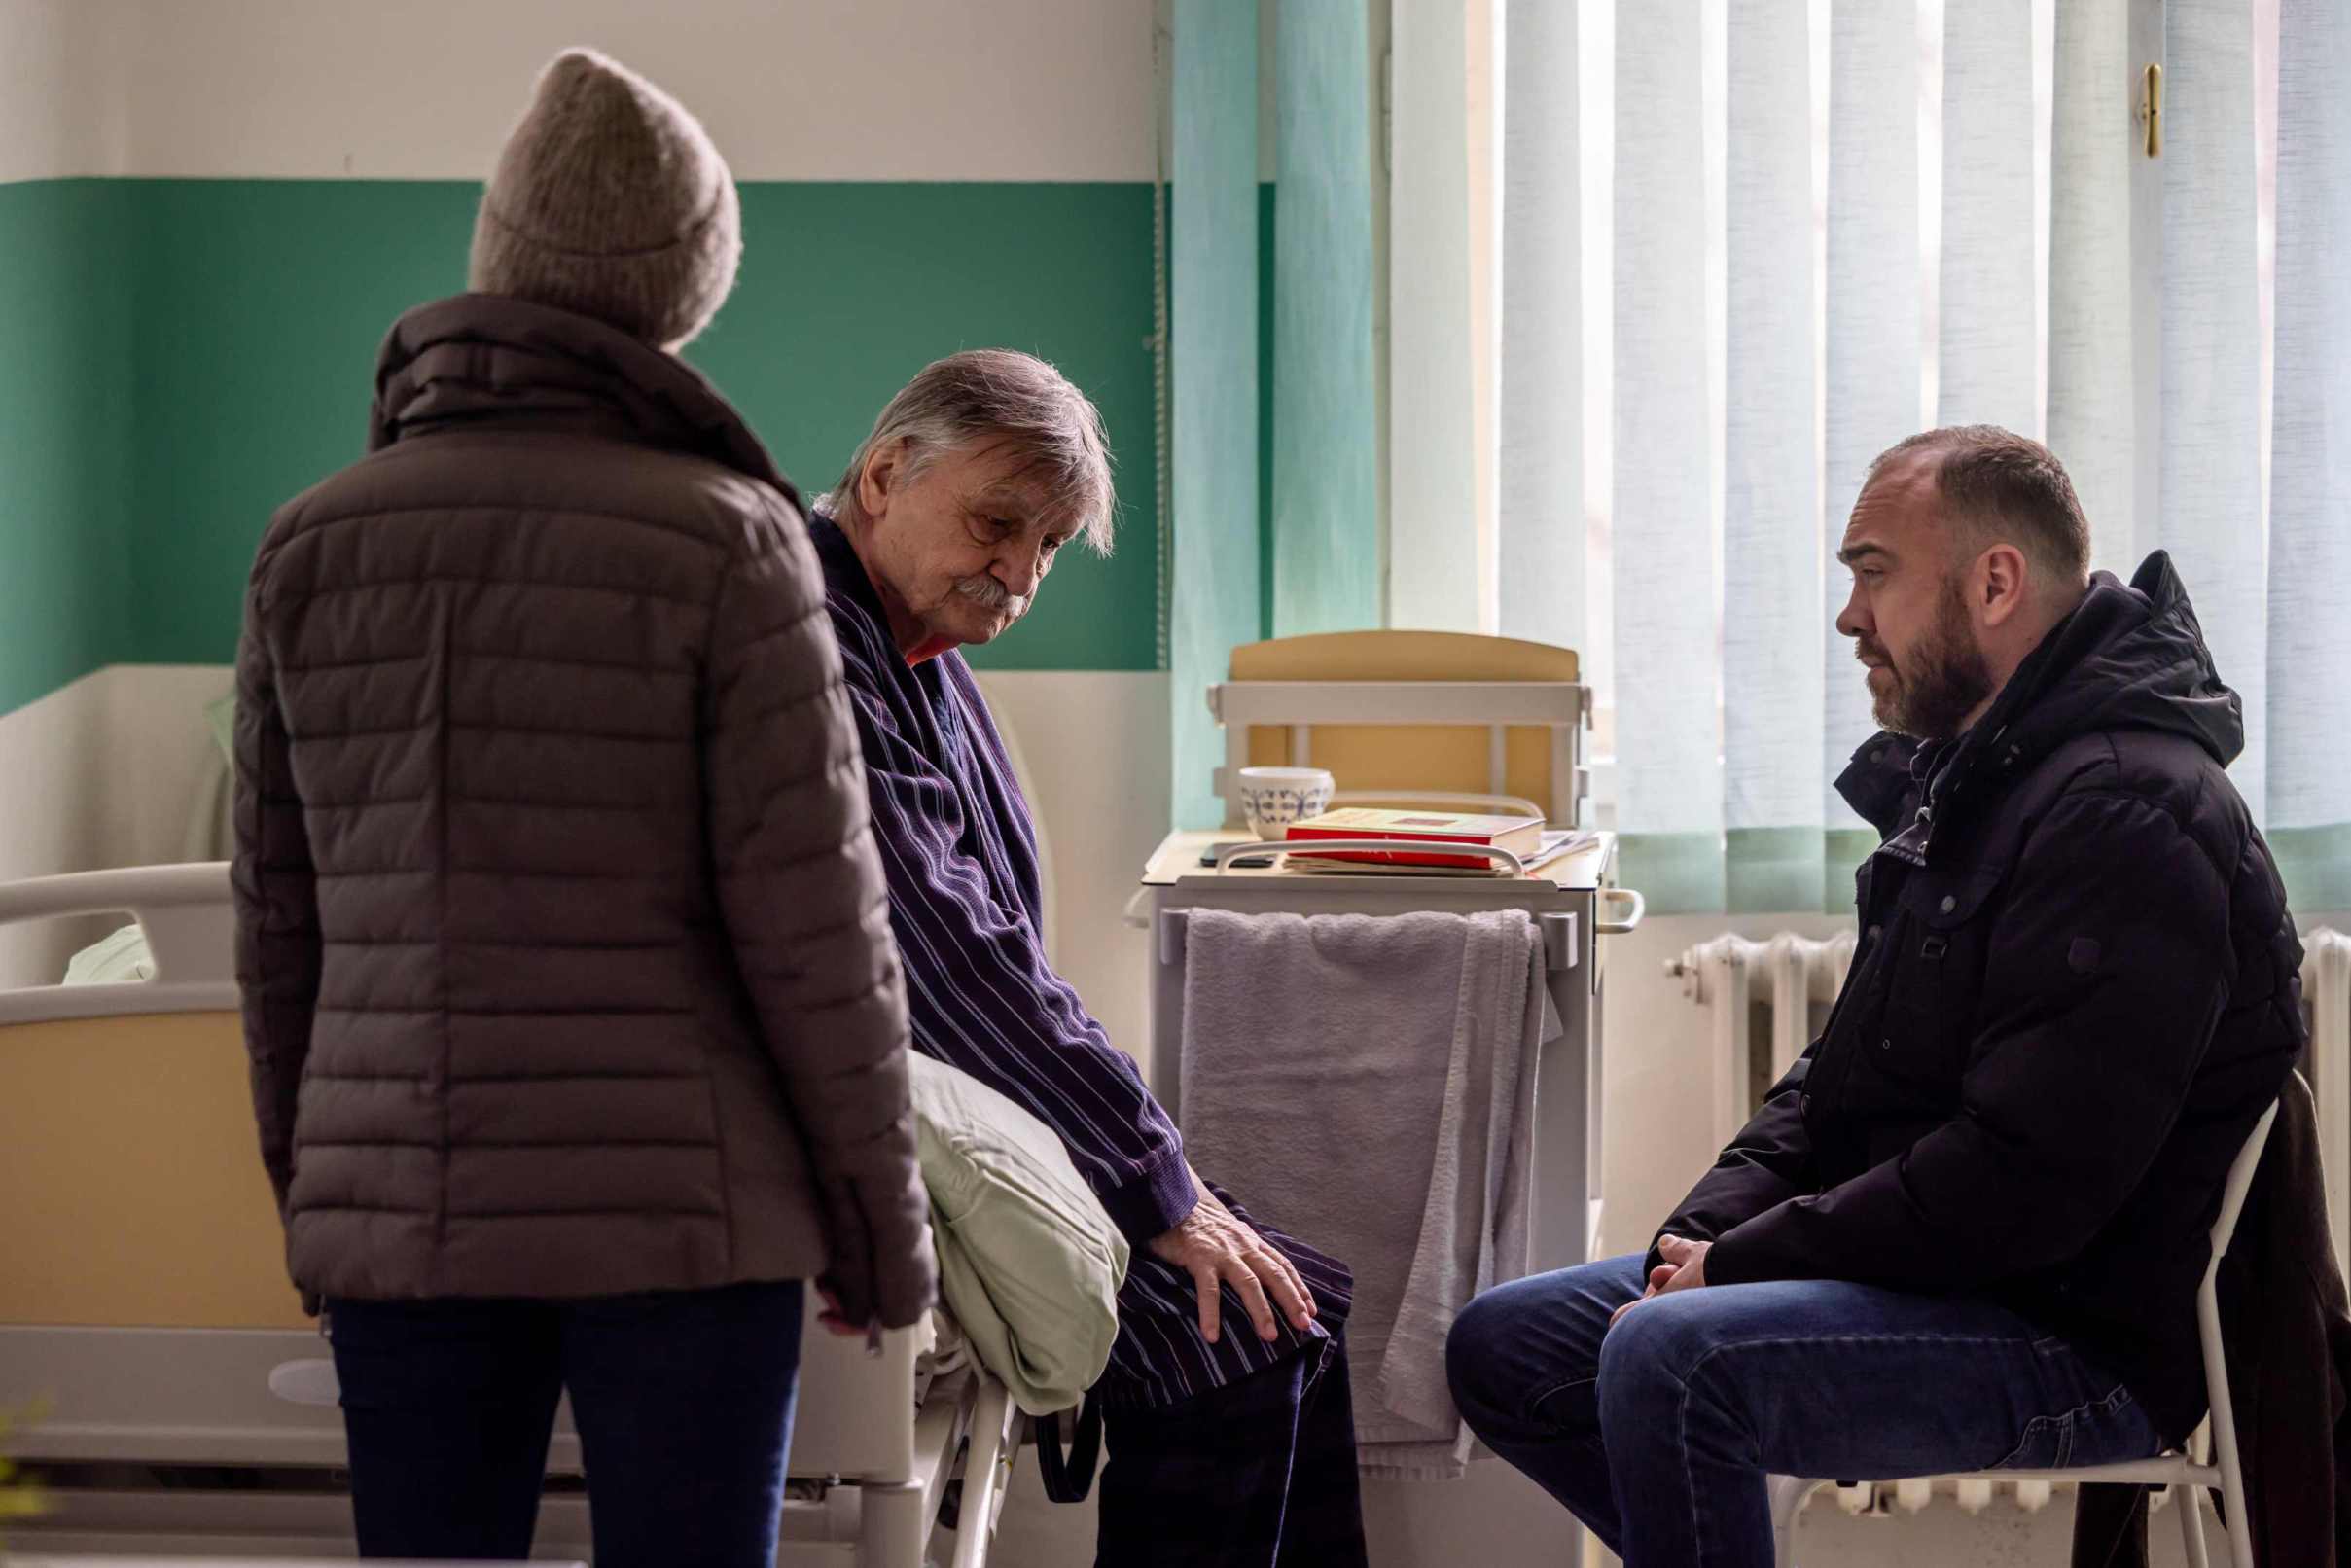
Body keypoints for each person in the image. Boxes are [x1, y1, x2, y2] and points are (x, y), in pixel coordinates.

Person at [230, 50, 933, 1566]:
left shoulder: (309, 545)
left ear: (501, 248)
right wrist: (879, 1232)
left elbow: (279, 926)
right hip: (687, 1218)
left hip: (401, 1209)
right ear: (684, 290)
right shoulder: (731, 541)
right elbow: (818, 927)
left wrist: (313, 1195)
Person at [1444, 426, 2305, 1568]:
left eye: (1872, 573)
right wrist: (1698, 1235)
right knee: (1505, 1344)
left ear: (1993, 583)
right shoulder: (1980, 778)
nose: (1849, 617)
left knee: (1672, 1357)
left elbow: (2023, 1179)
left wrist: (1735, 1269)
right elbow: (1831, 1081)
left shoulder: (2125, 811)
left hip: (2066, 1333)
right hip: (1945, 1275)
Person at [807, 349, 1368, 1567]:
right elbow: (950, 964)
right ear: (885, 474)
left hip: (930, 1097)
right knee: (1238, 1334)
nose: (1019, 574)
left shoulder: (914, 647)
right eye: (994, 523)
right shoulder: (817, 653)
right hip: (849, 1117)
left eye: (1049, 545)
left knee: (1292, 1305)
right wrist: (1155, 1183)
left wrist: (1160, 1177)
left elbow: (993, 951)